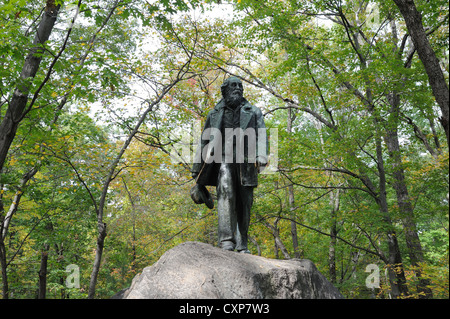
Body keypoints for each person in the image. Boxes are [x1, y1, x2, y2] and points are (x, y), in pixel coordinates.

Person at [191, 77, 268, 253]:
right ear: (224, 91)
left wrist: (261, 154)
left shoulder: (253, 111)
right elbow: (204, 141)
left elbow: (261, 134)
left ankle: (242, 243)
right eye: (233, 86)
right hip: (223, 160)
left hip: (246, 161)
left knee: (245, 201)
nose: (238, 89)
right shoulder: (214, 113)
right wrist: (196, 171)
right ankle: (226, 240)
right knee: (225, 193)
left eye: (240, 86)